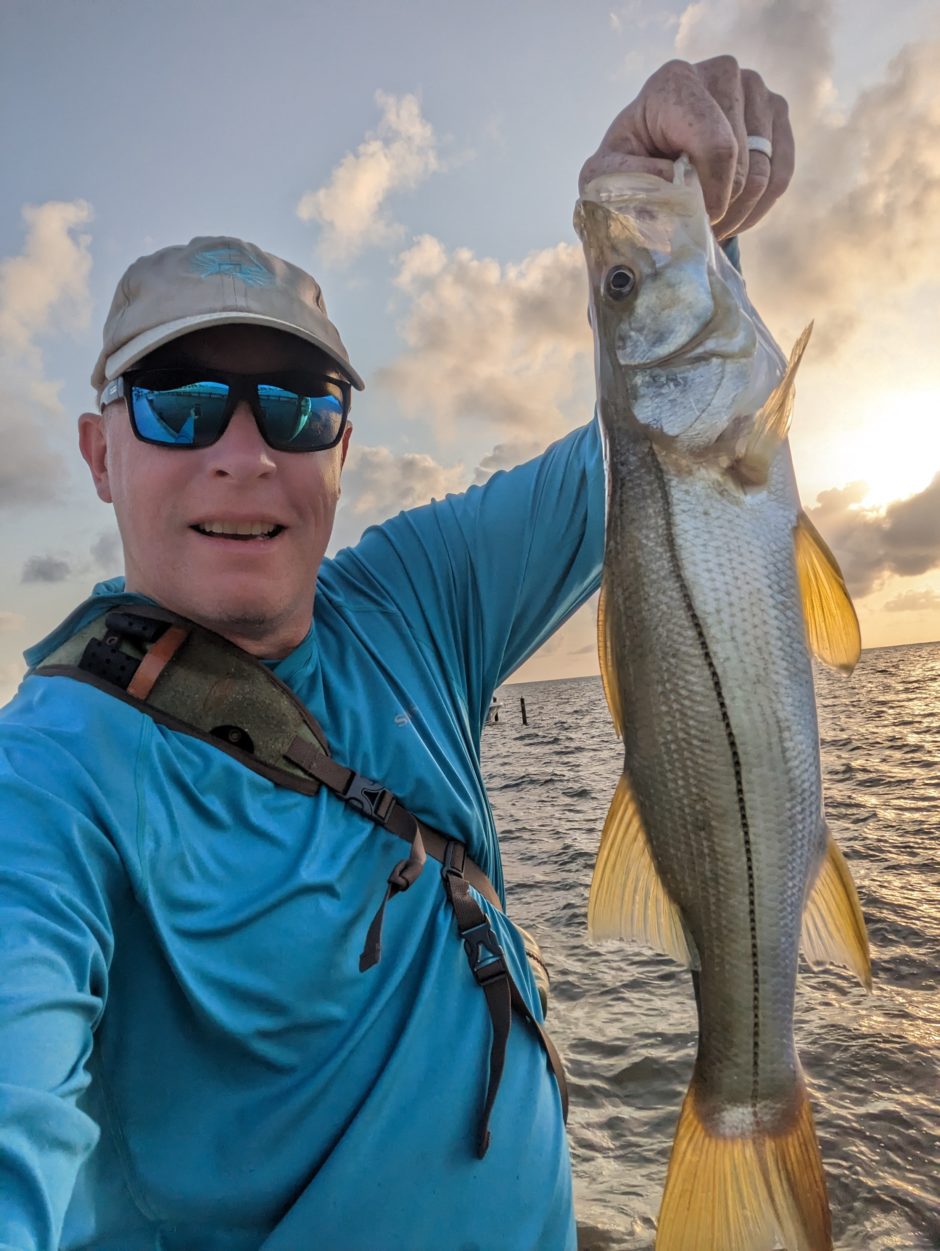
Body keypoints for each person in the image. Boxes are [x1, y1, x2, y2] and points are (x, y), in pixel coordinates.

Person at [0, 57, 793, 1251]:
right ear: (99, 453)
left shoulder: (410, 597)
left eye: (297, 403)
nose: (243, 450)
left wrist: (656, 204)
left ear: (341, 448)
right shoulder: (49, 782)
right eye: (176, 399)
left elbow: (666, 450)